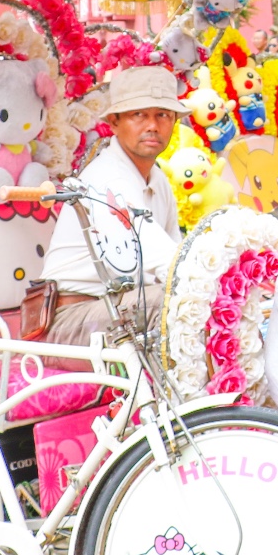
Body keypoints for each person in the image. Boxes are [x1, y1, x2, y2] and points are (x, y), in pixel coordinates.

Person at [40, 67, 186, 347]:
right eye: (139, 115)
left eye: (163, 115)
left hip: (118, 308)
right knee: (176, 301)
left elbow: (174, 255)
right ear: (115, 123)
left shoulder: (158, 180)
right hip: (73, 319)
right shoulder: (109, 177)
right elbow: (167, 263)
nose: (152, 125)